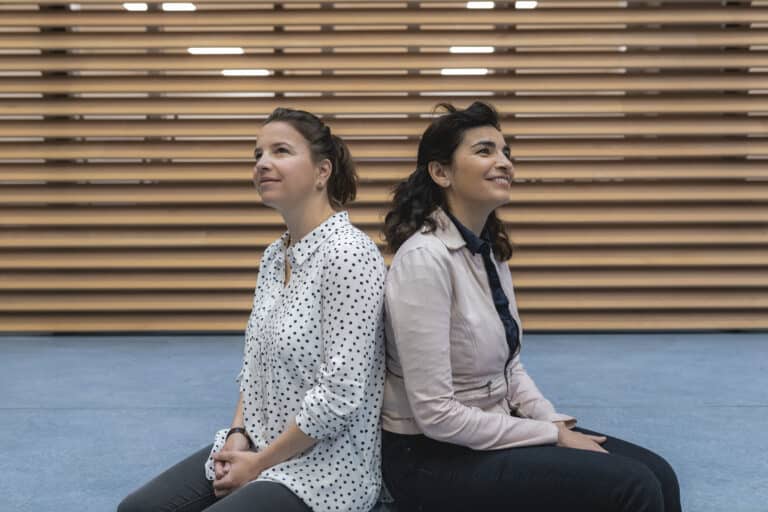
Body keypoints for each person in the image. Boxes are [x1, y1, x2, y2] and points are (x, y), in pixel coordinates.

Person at [380, 101, 681, 512]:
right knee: (634, 486)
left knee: (660, 473)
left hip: (491, 429)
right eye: (485, 151)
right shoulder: (424, 260)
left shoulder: (488, 252)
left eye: (506, 153)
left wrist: (552, 420)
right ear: (441, 172)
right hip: (429, 458)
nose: (504, 162)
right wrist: (552, 436)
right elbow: (436, 416)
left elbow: (511, 370)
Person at [118, 108, 387, 512]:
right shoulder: (274, 256)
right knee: (136, 510)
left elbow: (339, 396)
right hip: (256, 444)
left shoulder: (349, 254)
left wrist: (258, 465)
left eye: (281, 151)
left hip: (324, 470)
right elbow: (255, 362)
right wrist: (237, 435)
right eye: (258, 155)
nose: (263, 163)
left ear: (322, 171)